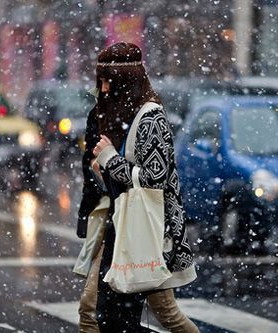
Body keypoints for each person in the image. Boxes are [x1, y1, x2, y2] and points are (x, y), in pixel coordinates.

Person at [77, 42, 198, 333]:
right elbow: (120, 176)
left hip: (146, 231)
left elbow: (154, 178)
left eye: (108, 81)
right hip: (123, 226)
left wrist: (110, 160)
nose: (103, 89)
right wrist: (103, 168)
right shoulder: (119, 115)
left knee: (117, 319)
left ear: (125, 80)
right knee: (96, 314)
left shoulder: (151, 117)